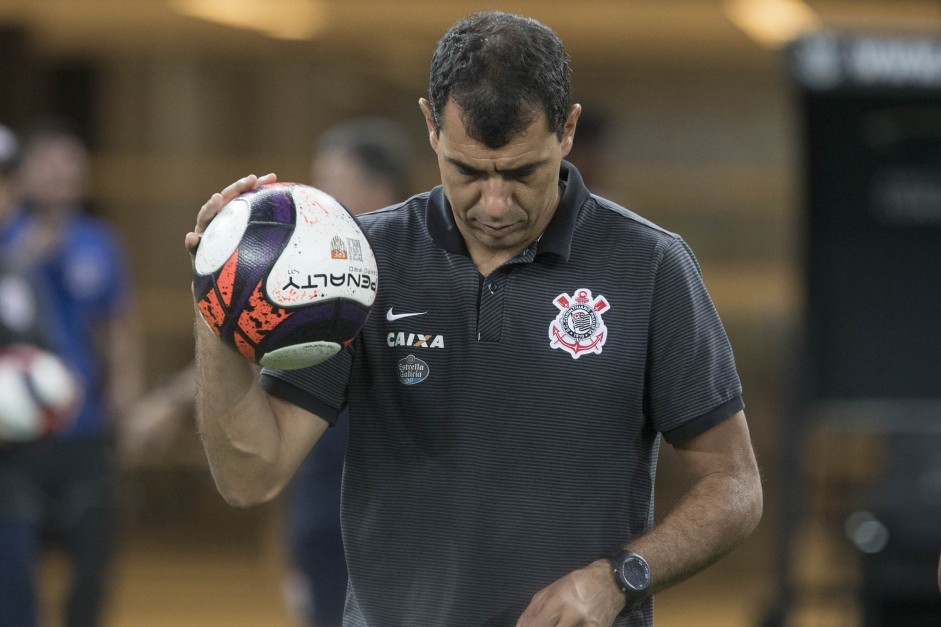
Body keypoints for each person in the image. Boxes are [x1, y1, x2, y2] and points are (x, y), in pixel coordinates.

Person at [186, 11, 763, 627]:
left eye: (521, 173)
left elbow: (734, 485)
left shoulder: (650, 266)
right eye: (468, 172)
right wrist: (218, 297)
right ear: (430, 128)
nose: (493, 203)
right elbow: (251, 475)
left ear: (567, 131)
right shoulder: (360, 265)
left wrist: (620, 578)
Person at [0, 118, 144, 627]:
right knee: (17, 572)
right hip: (16, 441)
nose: (62, 174)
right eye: (51, 163)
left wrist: (126, 400)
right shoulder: (8, 238)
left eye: (72, 164)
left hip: (85, 431)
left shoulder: (98, 240)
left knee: (92, 569)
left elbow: (118, 327)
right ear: (26, 173)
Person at [284, 117, 413, 627]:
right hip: (321, 511)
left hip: (396, 523)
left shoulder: (423, 279)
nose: (315, 200)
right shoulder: (309, 274)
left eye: (331, 184)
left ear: (378, 190)